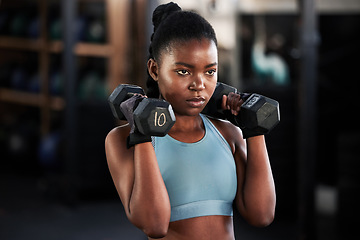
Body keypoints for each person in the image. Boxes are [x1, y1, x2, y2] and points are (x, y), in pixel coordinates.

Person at [105, 2, 276, 239]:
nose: (199, 85)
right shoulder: (122, 139)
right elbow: (154, 224)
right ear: (155, 70)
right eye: (184, 71)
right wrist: (142, 133)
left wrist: (254, 129)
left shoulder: (229, 134)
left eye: (210, 71)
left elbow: (262, 214)